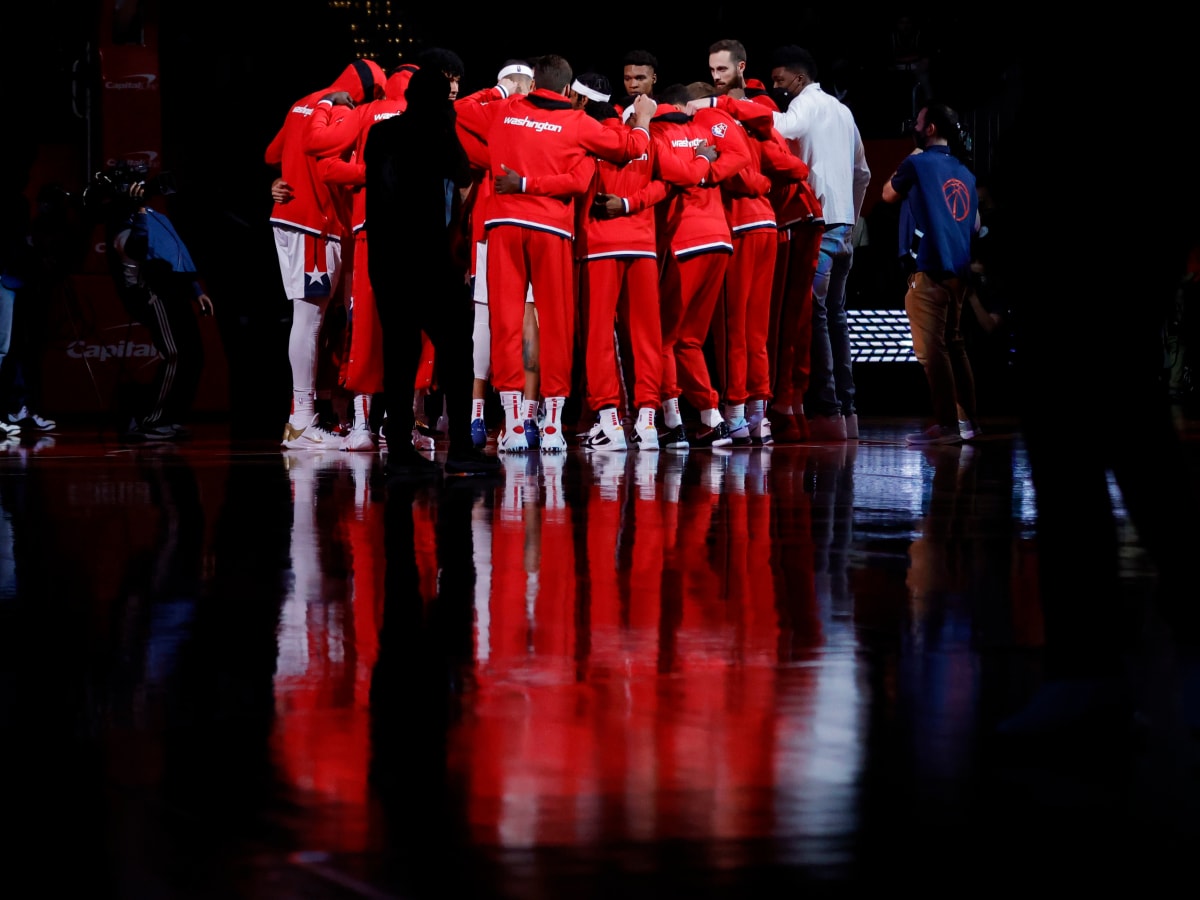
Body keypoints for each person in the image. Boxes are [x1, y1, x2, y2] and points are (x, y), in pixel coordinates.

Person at [454, 54, 656, 454]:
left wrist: (500, 90)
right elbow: (631, 147)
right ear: (567, 90)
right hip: (552, 231)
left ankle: (513, 426)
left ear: (533, 86)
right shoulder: (579, 123)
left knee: (505, 322)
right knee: (557, 325)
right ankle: (550, 427)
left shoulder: (506, 109)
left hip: (504, 227)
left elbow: (459, 109)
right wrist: (646, 117)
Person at [363, 56, 501, 478]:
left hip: (385, 259)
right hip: (426, 260)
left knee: (399, 356)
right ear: (442, 102)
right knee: (457, 354)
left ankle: (401, 450)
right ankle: (460, 446)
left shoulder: (379, 132)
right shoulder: (438, 132)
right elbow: (462, 172)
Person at [265, 58, 386, 451]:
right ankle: (301, 420)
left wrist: (287, 176)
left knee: (308, 319)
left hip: (291, 217)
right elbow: (331, 163)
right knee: (309, 319)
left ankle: (303, 417)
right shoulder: (341, 110)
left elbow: (273, 154)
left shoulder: (303, 102)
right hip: (316, 223)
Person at [763, 46, 871, 441]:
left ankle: (828, 411)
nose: (777, 87)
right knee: (836, 318)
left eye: (779, 80)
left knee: (816, 316)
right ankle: (847, 411)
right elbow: (863, 172)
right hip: (843, 223)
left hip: (823, 223)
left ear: (799, 78)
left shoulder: (806, 104)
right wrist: (853, 218)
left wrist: (733, 110)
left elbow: (783, 127)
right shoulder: (844, 111)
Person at [879, 101, 981, 445]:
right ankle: (968, 421)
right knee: (955, 344)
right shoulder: (965, 172)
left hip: (930, 266)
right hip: (961, 270)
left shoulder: (917, 162)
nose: (915, 126)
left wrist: (911, 156)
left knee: (930, 351)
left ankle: (948, 425)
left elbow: (888, 194)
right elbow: (976, 222)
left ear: (931, 129)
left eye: (919, 122)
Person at [575, 72, 666, 451]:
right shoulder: (646, 138)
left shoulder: (585, 138)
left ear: (582, 104)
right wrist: (635, 202)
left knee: (598, 335)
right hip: (643, 246)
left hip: (599, 246)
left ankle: (610, 423)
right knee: (647, 337)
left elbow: (576, 184)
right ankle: (647, 424)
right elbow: (669, 182)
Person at [98, 178, 215, 441]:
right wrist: (137, 211)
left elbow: (177, 253)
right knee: (174, 354)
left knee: (194, 356)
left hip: (176, 290)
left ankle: (171, 417)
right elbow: (137, 249)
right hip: (152, 292)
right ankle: (151, 420)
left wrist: (196, 290)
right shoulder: (120, 220)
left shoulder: (156, 215)